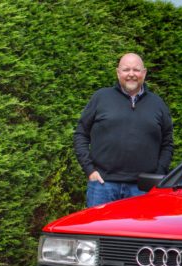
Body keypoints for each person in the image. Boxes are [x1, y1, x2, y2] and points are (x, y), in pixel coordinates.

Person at [73, 53, 174, 207]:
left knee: (138, 232)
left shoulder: (158, 104)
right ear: (118, 72)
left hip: (142, 189)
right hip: (103, 186)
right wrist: (90, 170)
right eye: (126, 69)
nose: (131, 74)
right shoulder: (101, 98)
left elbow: (167, 143)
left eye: (136, 70)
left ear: (144, 73)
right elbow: (81, 134)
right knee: (99, 231)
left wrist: (158, 175)